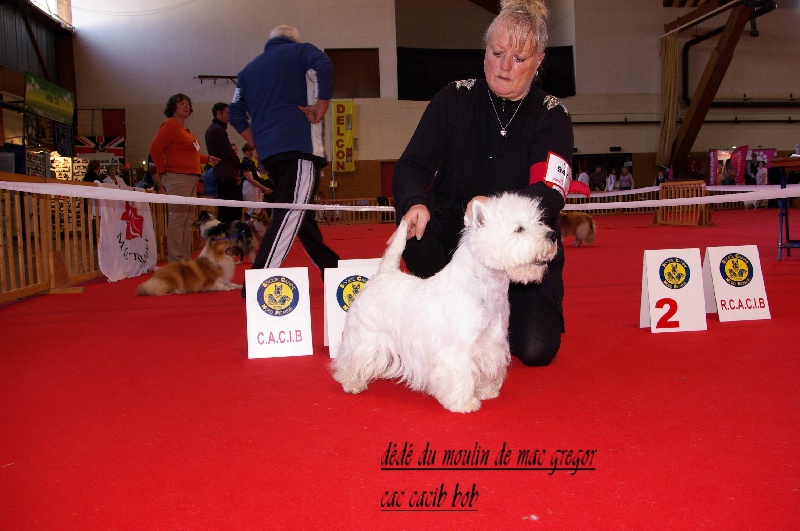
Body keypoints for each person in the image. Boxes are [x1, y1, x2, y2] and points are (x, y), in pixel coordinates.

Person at [392, 0, 577, 367]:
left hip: (520, 251)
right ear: (485, 50)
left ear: (539, 60)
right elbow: (411, 165)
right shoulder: (453, 98)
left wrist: (492, 209)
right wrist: (415, 201)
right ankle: (447, 323)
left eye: (518, 58)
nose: (504, 66)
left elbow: (549, 192)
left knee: (536, 348)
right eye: (496, 53)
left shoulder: (552, 116)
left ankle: (491, 319)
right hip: (452, 242)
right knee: (420, 243)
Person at [229, 24, 340, 293]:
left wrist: (257, 141)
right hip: (300, 147)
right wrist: (321, 106)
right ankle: (256, 283)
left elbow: (235, 114)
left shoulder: (248, 71)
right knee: (291, 213)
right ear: (294, 39)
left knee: (302, 216)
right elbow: (324, 65)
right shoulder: (302, 52)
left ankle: (333, 269)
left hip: (271, 156)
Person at [150, 93, 219, 262]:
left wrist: (207, 159)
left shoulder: (184, 129)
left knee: (187, 220)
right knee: (178, 218)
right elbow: (155, 148)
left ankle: (185, 257)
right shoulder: (170, 125)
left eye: (188, 103)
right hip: (178, 177)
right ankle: (176, 258)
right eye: (181, 103)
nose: (186, 106)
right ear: (173, 107)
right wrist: (162, 172)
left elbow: (189, 155)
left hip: (190, 177)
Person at [205, 102, 242, 223]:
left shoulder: (215, 129)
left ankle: (228, 232)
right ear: (218, 113)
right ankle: (229, 234)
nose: (229, 116)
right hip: (224, 174)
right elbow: (228, 151)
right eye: (227, 113)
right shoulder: (217, 129)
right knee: (230, 210)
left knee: (229, 208)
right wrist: (239, 165)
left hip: (224, 173)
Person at [240, 143, 273, 216]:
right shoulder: (245, 163)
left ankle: (255, 223)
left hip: (256, 187)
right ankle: (249, 223)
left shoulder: (252, 163)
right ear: (244, 152)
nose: (251, 152)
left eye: (252, 150)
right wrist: (264, 188)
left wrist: (263, 188)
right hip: (249, 186)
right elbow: (251, 180)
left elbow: (257, 178)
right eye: (249, 151)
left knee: (258, 208)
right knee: (252, 209)